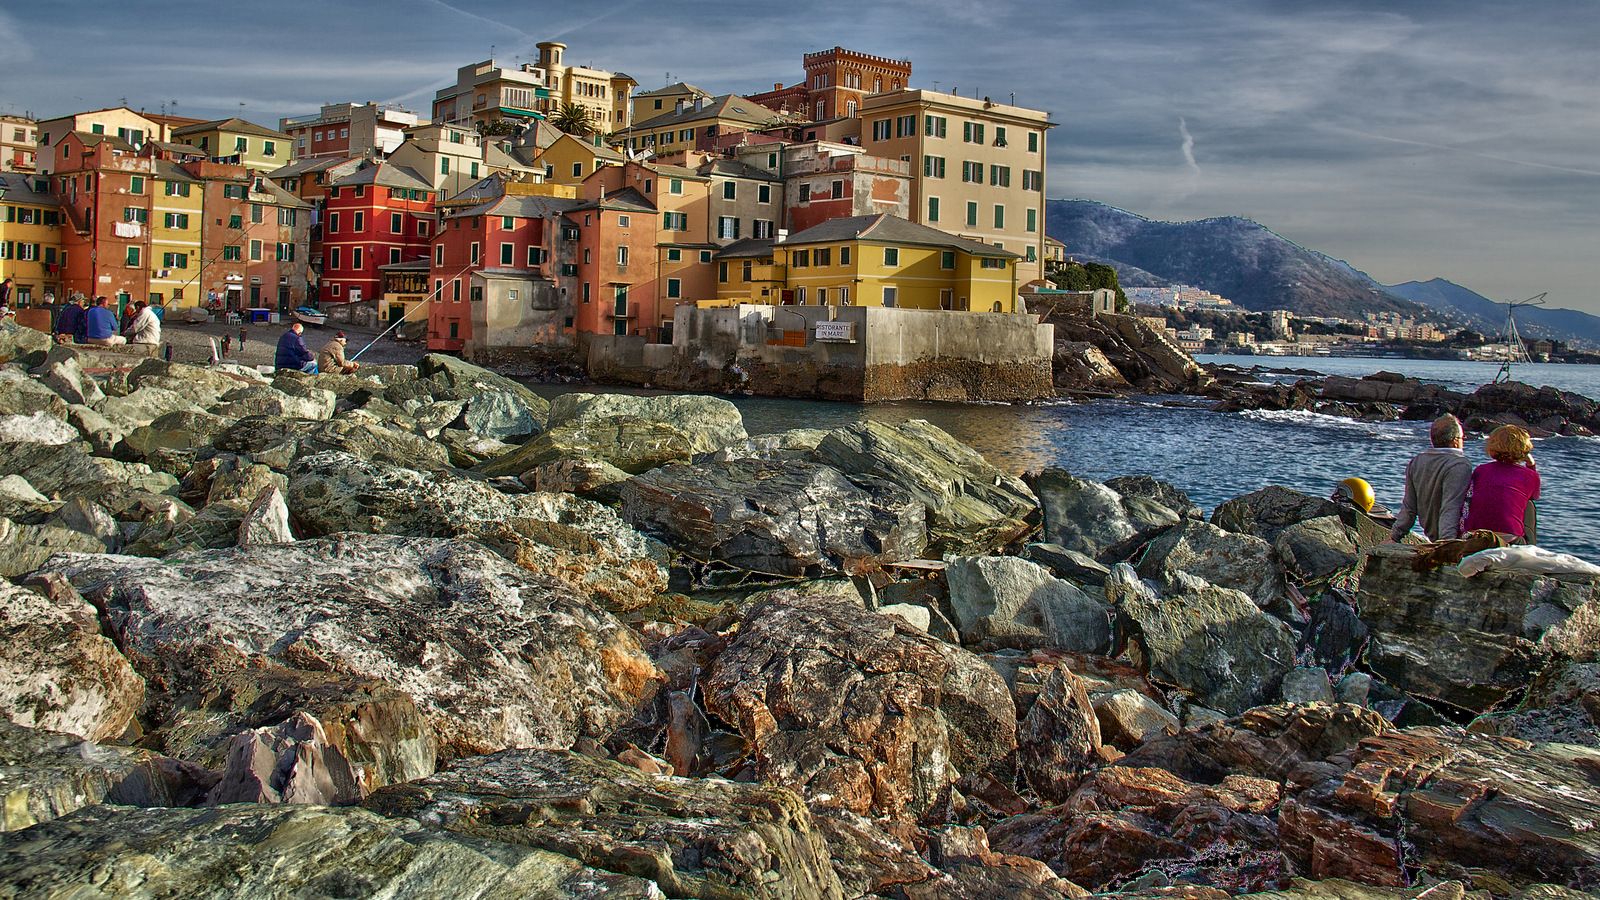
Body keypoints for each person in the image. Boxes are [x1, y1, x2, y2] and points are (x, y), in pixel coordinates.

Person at [1388, 414, 1474, 542]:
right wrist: (1446, 544)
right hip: (1453, 538)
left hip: (1431, 534)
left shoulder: (1417, 461)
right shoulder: (1459, 464)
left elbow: (1409, 508)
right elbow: (1450, 507)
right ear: (1455, 440)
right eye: (1462, 438)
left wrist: (1395, 537)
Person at [1462, 425, 1541, 544]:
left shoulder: (1481, 470)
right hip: (1508, 538)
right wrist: (1531, 465)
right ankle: (1530, 548)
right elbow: (1534, 496)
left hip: (1476, 536)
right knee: (1529, 504)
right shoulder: (1529, 476)